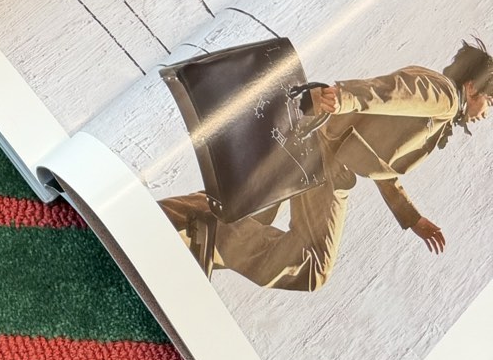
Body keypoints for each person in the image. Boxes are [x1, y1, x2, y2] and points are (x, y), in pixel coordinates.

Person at [160, 39, 493, 292]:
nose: (487, 113)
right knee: (313, 265)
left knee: (251, 211)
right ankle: (209, 230)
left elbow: (377, 159)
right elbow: (391, 92)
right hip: (327, 160)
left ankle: (162, 221)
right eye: (490, 101)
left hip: (320, 146)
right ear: (471, 87)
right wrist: (339, 97)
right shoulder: (443, 97)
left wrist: (411, 217)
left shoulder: (441, 101)